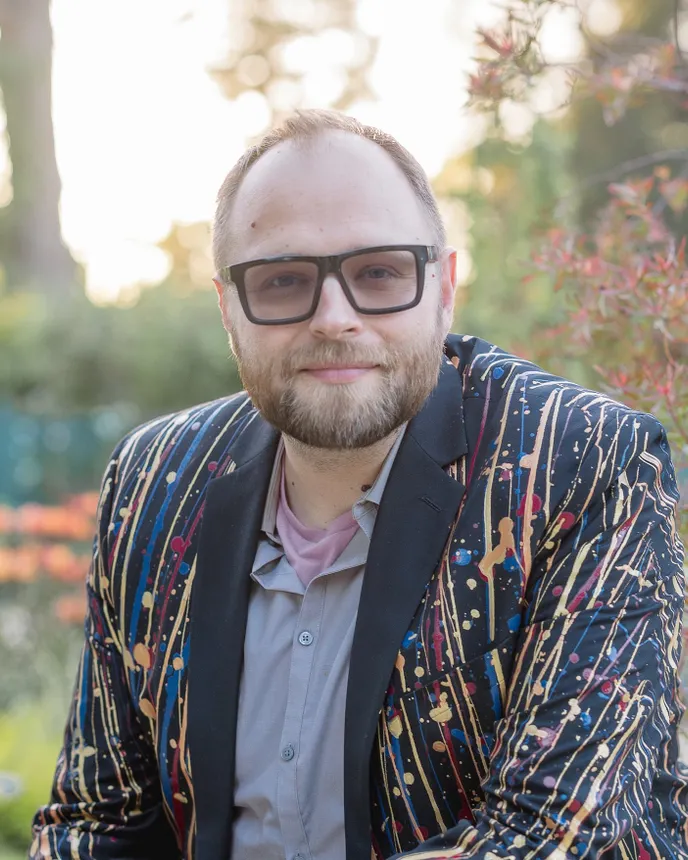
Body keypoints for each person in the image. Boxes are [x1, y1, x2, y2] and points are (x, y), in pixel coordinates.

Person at [30, 109, 688, 860]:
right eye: (283, 281)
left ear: (444, 288)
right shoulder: (155, 481)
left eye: (379, 272)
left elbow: (551, 840)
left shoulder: (580, 464)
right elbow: (96, 821)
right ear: (227, 309)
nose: (334, 318)